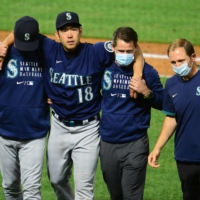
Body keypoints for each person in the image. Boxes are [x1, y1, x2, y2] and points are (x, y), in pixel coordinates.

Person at [0, 11, 144, 200]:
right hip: (59, 126)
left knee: (84, 189)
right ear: (56, 34)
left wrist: (137, 74)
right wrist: (4, 44)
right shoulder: (48, 47)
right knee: (57, 179)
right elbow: (21, 31)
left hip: (88, 130)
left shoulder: (97, 51)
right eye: (64, 30)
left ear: (80, 31)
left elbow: (135, 48)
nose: (69, 34)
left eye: (74, 29)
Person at [100, 27, 164, 200]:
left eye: (129, 51)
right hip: (107, 143)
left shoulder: (148, 73)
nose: (125, 54)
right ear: (113, 48)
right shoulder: (104, 67)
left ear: (136, 49)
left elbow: (165, 103)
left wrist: (146, 92)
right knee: (116, 195)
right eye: (121, 51)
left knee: (132, 196)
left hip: (135, 144)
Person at [0, 16, 50, 200]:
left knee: (31, 190)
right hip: (4, 133)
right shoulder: (1, 56)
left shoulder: (45, 52)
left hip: (34, 134)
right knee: (10, 187)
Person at [148, 38, 200, 200]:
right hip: (186, 155)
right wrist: (158, 148)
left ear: (193, 57)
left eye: (181, 61)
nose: (177, 66)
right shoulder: (171, 84)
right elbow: (171, 118)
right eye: (173, 62)